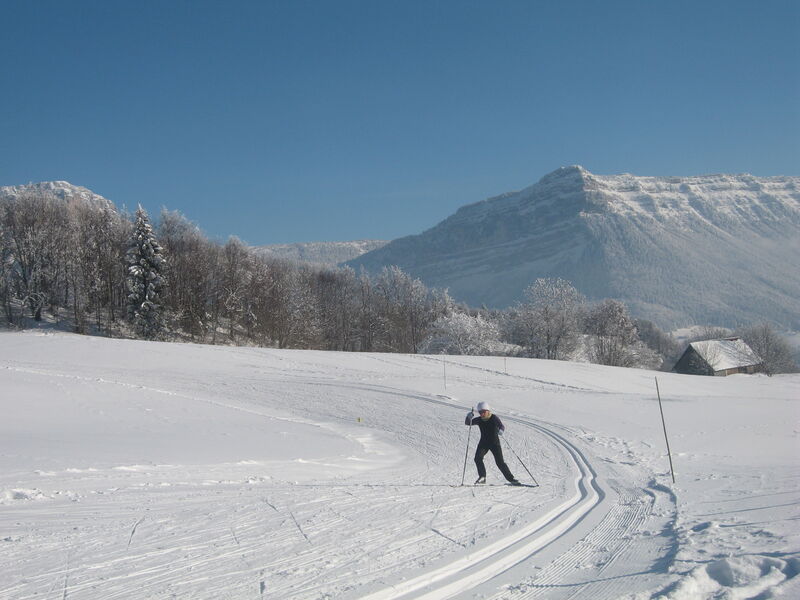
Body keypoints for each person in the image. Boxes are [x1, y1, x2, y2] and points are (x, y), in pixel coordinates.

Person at [465, 401, 520, 485]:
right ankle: (482, 477)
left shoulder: (494, 418)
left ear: (488, 410)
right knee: (477, 458)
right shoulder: (479, 420)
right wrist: (468, 417)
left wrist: (501, 431)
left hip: (494, 443)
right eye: (480, 412)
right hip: (483, 443)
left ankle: (511, 479)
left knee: (500, 462)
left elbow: (501, 426)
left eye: (484, 411)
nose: (482, 413)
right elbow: (468, 423)